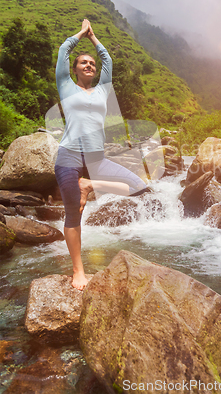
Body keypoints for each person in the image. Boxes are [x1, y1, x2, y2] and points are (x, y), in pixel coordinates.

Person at [55, 19, 148, 290]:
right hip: (69, 155)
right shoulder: (66, 86)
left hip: (96, 157)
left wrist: (95, 40)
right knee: (73, 216)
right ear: (74, 69)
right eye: (84, 62)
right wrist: (80, 34)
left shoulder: (102, 90)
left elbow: (107, 59)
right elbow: (63, 50)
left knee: (140, 186)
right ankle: (78, 271)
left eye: (92, 64)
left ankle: (89, 185)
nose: (89, 65)